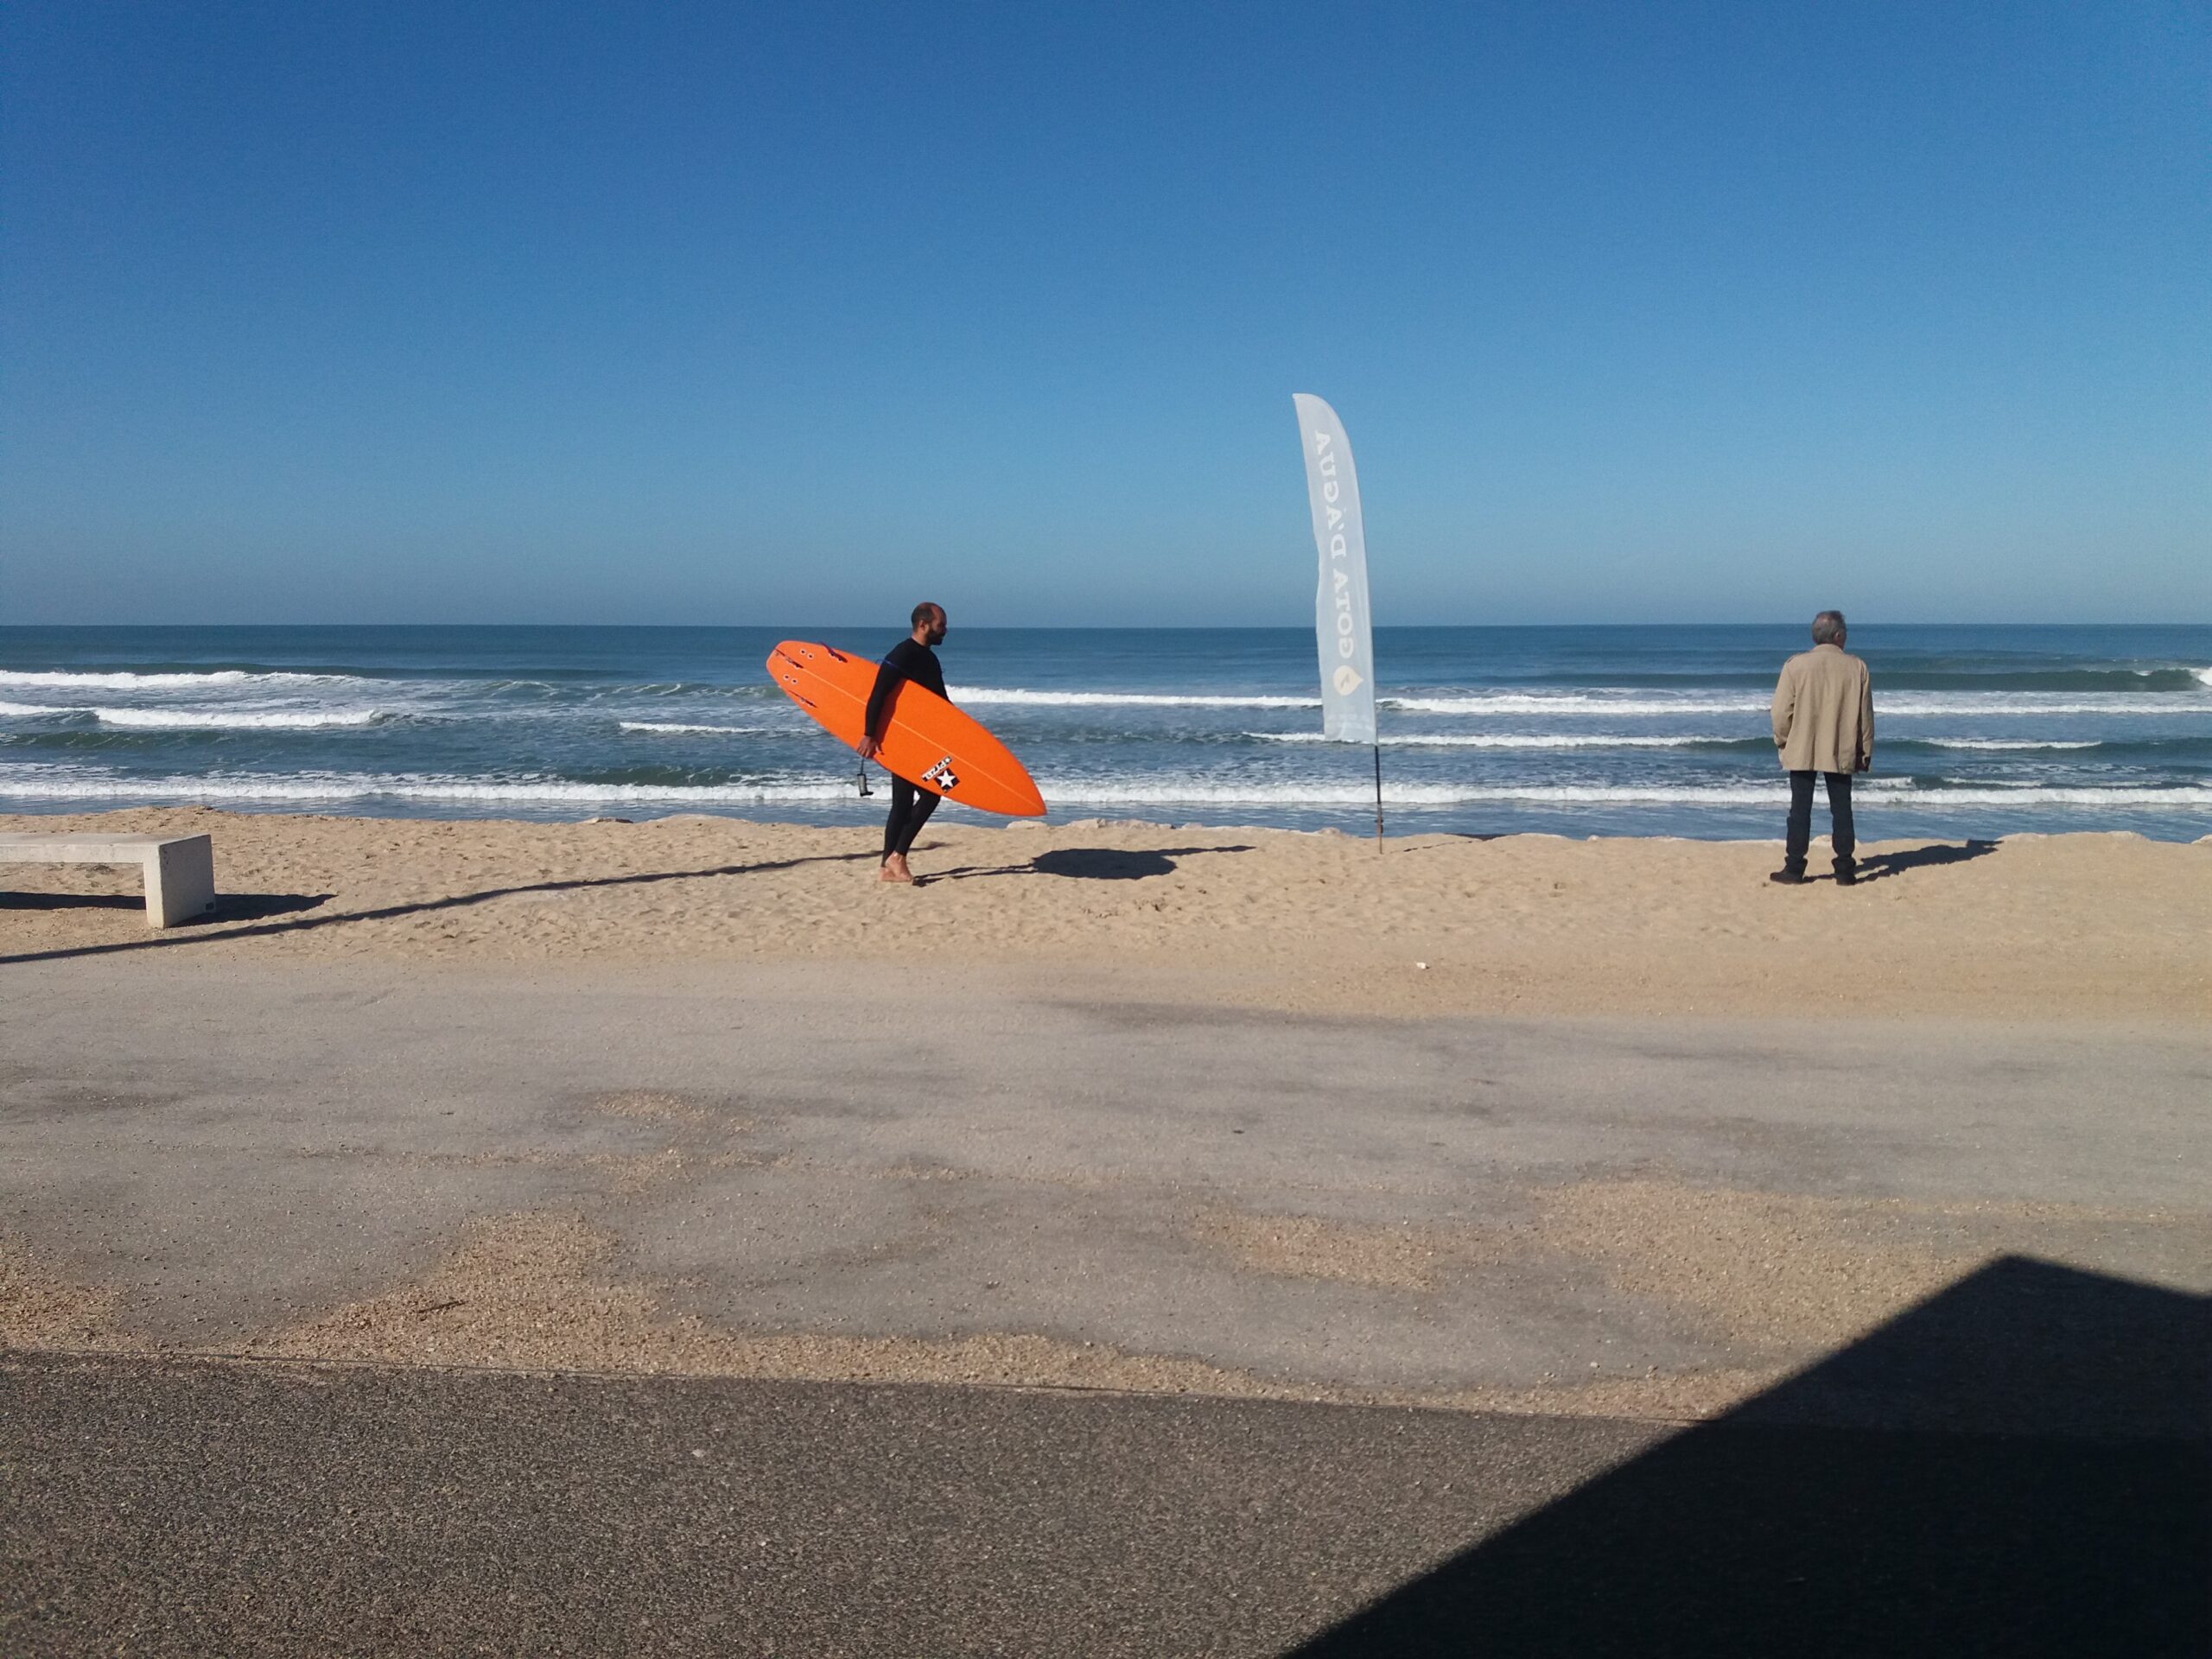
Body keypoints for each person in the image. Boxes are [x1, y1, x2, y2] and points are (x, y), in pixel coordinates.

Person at [1770, 610, 1873, 887]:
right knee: (1842, 810)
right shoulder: (1857, 667)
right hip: (1840, 748)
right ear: (1838, 636)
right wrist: (1865, 751)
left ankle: (1794, 868)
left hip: (1802, 746)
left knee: (1799, 810)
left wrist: (1782, 740)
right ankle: (1844, 870)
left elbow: (1780, 712)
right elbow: (1865, 716)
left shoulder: (1795, 665)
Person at [858, 602, 950, 884]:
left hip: (923, 739)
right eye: (940, 625)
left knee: (901, 804)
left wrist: (961, 736)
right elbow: (878, 693)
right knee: (932, 795)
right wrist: (869, 734)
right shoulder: (903, 654)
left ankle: (887, 867)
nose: (945, 630)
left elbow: (941, 703)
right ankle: (897, 855)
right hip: (906, 740)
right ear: (923, 625)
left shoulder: (929, 658)